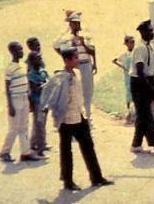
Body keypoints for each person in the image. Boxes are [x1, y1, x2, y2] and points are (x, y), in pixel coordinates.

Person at [40, 48, 113, 191]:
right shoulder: (62, 78)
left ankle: (96, 177)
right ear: (67, 60)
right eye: (75, 58)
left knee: (88, 146)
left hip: (79, 116)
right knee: (66, 150)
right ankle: (68, 181)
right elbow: (55, 97)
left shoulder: (75, 74)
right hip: (67, 120)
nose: (77, 60)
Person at [0, 42, 43, 162]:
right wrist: (10, 106)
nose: (22, 52)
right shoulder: (10, 68)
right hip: (15, 100)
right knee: (14, 128)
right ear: (13, 52)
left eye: (22, 50)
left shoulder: (23, 67)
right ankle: (5, 152)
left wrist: (29, 101)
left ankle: (25, 152)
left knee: (24, 127)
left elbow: (26, 84)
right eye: (19, 50)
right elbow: (7, 88)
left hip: (24, 98)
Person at [129, 20, 154, 156]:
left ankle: (136, 144)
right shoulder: (140, 48)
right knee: (147, 117)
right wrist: (152, 91)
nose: (152, 33)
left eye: (152, 30)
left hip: (147, 81)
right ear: (143, 33)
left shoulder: (150, 47)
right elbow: (140, 73)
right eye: (150, 31)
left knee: (142, 116)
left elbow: (153, 71)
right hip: (139, 84)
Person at [53, 10, 96, 124]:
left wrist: (83, 44)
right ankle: (78, 117)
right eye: (75, 23)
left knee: (88, 91)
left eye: (78, 23)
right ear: (70, 24)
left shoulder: (85, 35)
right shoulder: (66, 38)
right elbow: (57, 46)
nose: (78, 25)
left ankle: (88, 116)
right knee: (75, 91)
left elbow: (92, 50)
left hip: (86, 64)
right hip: (75, 66)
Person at [27, 50, 50, 155]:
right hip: (37, 102)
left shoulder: (42, 71)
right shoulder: (31, 75)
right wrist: (45, 85)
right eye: (38, 58)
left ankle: (34, 143)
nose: (40, 59)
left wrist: (44, 84)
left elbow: (48, 82)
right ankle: (40, 149)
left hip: (45, 100)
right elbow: (35, 89)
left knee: (41, 123)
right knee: (39, 124)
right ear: (32, 61)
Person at [112, 35, 136, 122]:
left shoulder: (136, 53)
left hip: (135, 75)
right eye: (130, 42)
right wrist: (123, 67)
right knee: (129, 93)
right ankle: (129, 113)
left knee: (136, 93)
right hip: (128, 76)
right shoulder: (125, 55)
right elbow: (114, 60)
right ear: (126, 44)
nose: (132, 44)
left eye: (133, 42)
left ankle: (135, 114)